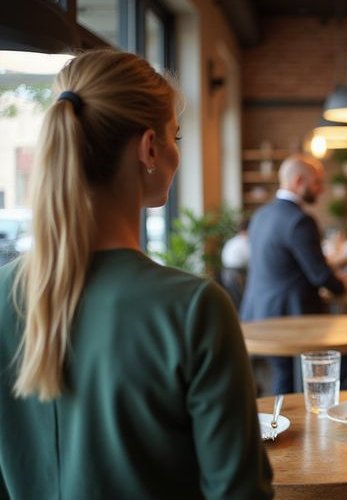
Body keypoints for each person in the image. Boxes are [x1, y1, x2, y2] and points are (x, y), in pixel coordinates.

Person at [0, 49, 272, 498]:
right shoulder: (191, 309)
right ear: (149, 148)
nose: (175, 151)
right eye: (176, 137)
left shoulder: (5, 294)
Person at [240, 154, 347, 395]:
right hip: (291, 318)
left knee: (283, 374)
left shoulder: (260, 215)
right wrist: (344, 286)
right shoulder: (299, 220)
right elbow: (320, 275)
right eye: (317, 182)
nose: (321, 189)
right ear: (298, 181)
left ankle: (284, 424)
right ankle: (301, 419)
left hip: (257, 313)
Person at [220, 216, 250, 309]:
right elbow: (251, 260)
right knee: (242, 302)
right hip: (238, 274)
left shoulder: (232, 241)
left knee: (234, 301)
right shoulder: (244, 242)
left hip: (225, 273)